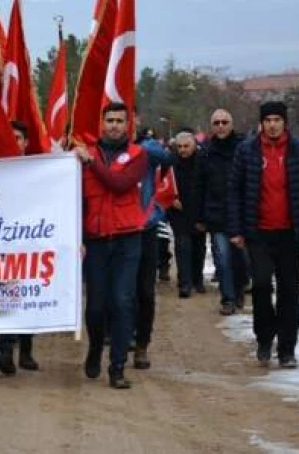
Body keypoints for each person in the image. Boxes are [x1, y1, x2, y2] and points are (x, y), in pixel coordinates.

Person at [228, 101, 299, 369]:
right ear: (261, 123)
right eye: (268, 120)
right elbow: (234, 190)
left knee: (289, 291)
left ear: (285, 123)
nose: (272, 125)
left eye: (277, 120)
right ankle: (264, 336)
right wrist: (235, 229)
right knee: (260, 284)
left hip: (290, 233)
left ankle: (287, 348)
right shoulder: (246, 151)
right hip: (257, 231)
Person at [75, 103, 149, 389]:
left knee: (122, 301)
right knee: (95, 306)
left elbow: (120, 183)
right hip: (95, 241)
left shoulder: (137, 155)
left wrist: (92, 164)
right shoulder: (84, 156)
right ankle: (95, 347)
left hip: (127, 238)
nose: (115, 125)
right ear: (102, 123)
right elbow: (75, 199)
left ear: (128, 125)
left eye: (120, 120)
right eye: (110, 120)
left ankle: (117, 366)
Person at [0, 121, 39, 375]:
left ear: (26, 142)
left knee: (27, 294)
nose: (14, 141)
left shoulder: (38, 171)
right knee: (3, 293)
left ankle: (26, 351)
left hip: (29, 243)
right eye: (10, 137)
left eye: (18, 137)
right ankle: (5, 351)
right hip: (0, 244)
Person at [193, 110, 249, 316]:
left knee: (241, 258)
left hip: (242, 213)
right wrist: (199, 216)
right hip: (216, 213)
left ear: (232, 124)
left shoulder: (244, 148)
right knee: (223, 258)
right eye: (216, 122)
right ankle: (228, 298)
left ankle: (240, 287)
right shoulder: (205, 152)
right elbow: (198, 186)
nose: (221, 126)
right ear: (211, 126)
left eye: (225, 122)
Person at [133, 112, 176, 371]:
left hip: (145, 227)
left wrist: (148, 146)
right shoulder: (100, 149)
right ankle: (119, 337)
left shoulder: (147, 148)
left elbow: (169, 159)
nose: (118, 124)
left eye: (125, 118)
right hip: (115, 230)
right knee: (117, 294)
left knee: (145, 292)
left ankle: (141, 344)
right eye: (111, 120)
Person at [168, 131, 206, 298]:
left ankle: (197, 278)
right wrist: (170, 198)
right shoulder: (171, 162)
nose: (183, 150)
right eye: (180, 147)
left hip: (198, 209)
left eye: (186, 146)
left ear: (194, 145)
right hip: (178, 210)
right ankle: (185, 282)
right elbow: (163, 183)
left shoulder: (203, 160)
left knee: (198, 246)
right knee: (183, 246)